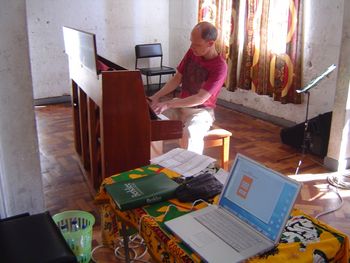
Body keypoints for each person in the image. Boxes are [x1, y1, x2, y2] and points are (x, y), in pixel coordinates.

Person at [149, 21, 227, 154]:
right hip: (180, 106)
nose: (192, 47)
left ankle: (191, 172)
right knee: (151, 124)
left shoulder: (220, 67)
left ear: (210, 43)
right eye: (191, 42)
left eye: (197, 44)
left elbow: (200, 98)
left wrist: (168, 104)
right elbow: (176, 79)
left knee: (190, 134)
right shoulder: (192, 53)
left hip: (201, 112)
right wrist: (155, 97)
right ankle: (154, 165)